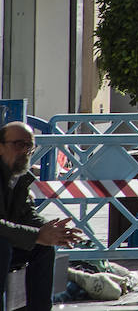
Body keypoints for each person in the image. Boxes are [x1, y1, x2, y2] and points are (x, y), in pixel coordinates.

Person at [1, 122, 82, 311]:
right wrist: (37, 235)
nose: (25, 151)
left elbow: (27, 213)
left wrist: (51, 232)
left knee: (43, 249)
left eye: (29, 146)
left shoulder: (18, 177)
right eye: (18, 144)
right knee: (3, 247)